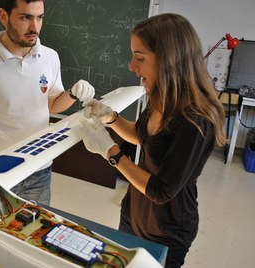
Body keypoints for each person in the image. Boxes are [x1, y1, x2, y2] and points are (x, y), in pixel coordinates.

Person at [78, 13, 226, 268]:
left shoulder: (197, 119)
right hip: (133, 216)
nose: (131, 66)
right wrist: (110, 117)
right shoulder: (161, 95)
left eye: (140, 57)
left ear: (169, 60)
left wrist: (110, 152)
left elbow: (161, 190)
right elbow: (142, 136)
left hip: (166, 232)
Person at [0, 0, 95, 205]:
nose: (35, 27)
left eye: (40, 17)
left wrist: (72, 93)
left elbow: (52, 105)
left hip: (39, 170)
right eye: (25, 17)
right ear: (4, 16)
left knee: (34, 230)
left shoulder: (50, 57)